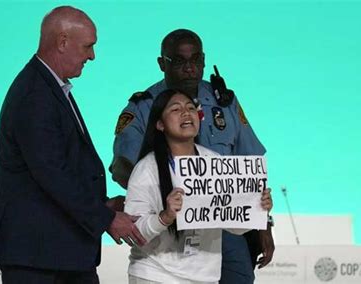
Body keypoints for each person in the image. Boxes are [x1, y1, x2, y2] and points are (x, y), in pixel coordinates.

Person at [0, 6, 145, 284]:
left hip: (56, 252)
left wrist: (102, 205)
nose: (92, 56)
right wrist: (104, 218)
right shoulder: (35, 94)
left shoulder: (47, 87)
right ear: (62, 42)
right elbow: (52, 173)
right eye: (88, 46)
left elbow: (59, 169)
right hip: (38, 257)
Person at [111, 29, 274, 283]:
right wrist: (162, 207)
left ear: (204, 60)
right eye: (180, 61)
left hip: (222, 223)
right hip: (167, 228)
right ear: (162, 63)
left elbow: (249, 164)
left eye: (195, 60)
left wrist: (264, 221)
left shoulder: (225, 102)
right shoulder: (144, 106)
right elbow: (126, 167)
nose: (190, 68)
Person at [124, 89, 273, 283]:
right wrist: (165, 217)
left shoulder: (215, 162)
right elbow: (134, 233)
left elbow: (233, 226)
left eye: (191, 108)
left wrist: (256, 206)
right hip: (156, 275)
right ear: (160, 124)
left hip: (204, 277)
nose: (186, 113)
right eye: (176, 109)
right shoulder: (146, 169)